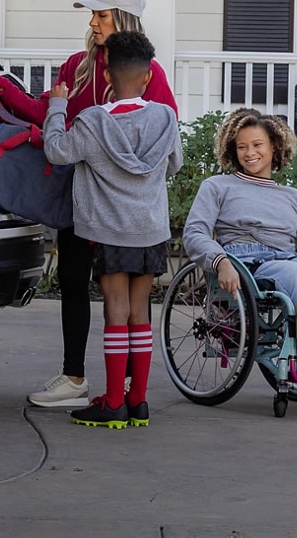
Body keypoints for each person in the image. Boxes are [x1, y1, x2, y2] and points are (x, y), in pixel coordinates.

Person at [0, 0, 178, 409]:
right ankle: (76, 378)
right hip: (81, 199)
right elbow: (48, 109)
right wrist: (3, 88)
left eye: (101, 15)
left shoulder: (151, 74)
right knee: (74, 282)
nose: (92, 22)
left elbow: (156, 137)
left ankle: (122, 389)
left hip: (119, 210)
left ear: (123, 19)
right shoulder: (78, 65)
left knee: (117, 301)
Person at [39, 32, 182, 428]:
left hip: (110, 230)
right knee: (140, 313)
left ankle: (113, 401)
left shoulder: (91, 123)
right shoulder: (165, 118)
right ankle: (138, 401)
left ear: (106, 74)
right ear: (148, 75)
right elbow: (174, 164)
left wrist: (56, 106)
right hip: (151, 231)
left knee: (115, 312)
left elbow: (56, 150)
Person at [182, 109, 297, 378]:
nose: (249, 153)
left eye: (257, 145)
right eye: (241, 147)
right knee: (294, 272)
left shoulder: (294, 198)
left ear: (274, 146)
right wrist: (220, 260)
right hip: (244, 263)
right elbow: (195, 233)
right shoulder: (217, 186)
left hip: (286, 258)